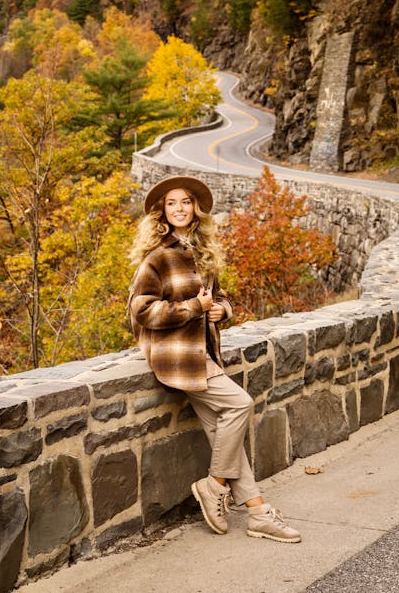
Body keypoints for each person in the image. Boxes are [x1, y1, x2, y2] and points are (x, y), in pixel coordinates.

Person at [128, 175, 301, 543]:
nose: (179, 208)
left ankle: (257, 513)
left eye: (185, 202)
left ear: (196, 209)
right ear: (162, 211)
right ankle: (213, 485)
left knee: (222, 433)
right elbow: (140, 311)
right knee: (240, 404)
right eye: (171, 203)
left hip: (205, 353)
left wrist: (222, 310)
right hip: (178, 358)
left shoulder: (202, 254)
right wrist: (193, 307)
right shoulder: (157, 258)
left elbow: (219, 298)